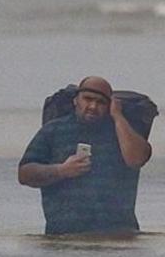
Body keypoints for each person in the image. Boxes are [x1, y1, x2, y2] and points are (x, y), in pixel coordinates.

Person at [18, 76, 153, 235]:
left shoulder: (123, 131)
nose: (93, 106)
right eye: (87, 99)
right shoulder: (52, 131)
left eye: (101, 102)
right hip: (63, 237)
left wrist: (118, 116)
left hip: (119, 235)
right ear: (76, 100)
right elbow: (24, 173)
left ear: (110, 105)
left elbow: (137, 159)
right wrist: (61, 170)